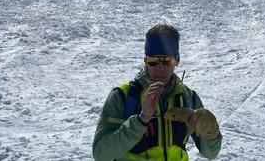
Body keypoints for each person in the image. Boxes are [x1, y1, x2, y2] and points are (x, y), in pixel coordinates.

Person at [93, 24, 222, 160]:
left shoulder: (188, 97)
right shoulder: (122, 96)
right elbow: (101, 154)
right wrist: (142, 119)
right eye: (153, 61)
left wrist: (211, 132)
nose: (160, 68)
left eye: (167, 61)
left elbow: (211, 153)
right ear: (145, 61)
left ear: (177, 61)